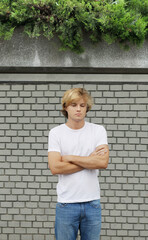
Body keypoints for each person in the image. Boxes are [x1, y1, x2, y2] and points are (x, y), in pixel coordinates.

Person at [48, 88, 109, 240]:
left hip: (92, 203)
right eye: (74, 104)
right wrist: (89, 160)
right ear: (65, 107)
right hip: (66, 204)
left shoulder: (98, 131)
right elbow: (55, 167)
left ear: (87, 108)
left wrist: (69, 157)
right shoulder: (56, 133)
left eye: (82, 105)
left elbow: (102, 162)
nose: (78, 109)